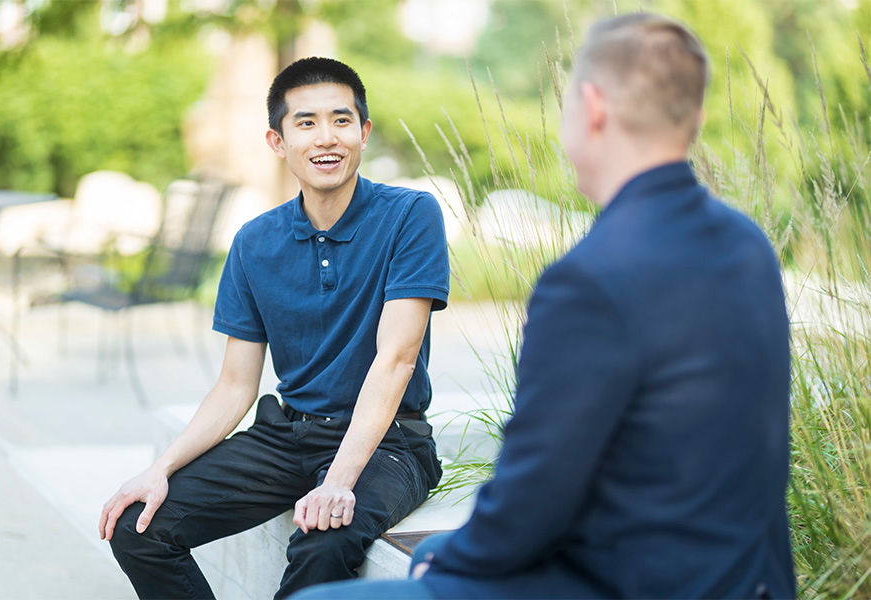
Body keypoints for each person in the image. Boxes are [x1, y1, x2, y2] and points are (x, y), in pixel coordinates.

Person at [294, 13, 795, 600]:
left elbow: (537, 489)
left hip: (630, 581)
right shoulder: (746, 244)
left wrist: (456, 564)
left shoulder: (588, 281)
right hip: (744, 578)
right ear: (695, 114)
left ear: (593, 108)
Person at [98, 57, 449, 599]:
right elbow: (236, 384)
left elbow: (397, 359)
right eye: (305, 123)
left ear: (363, 132)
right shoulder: (255, 242)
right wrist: (159, 468)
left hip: (389, 443)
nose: (326, 137)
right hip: (289, 435)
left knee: (324, 540)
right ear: (278, 141)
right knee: (139, 527)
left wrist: (337, 482)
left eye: (341, 119)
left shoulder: (410, 215)